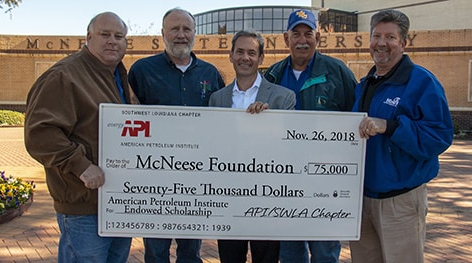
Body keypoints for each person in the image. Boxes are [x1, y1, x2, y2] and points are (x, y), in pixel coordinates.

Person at [24, 12, 137, 262]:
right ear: (88, 37)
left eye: (119, 36)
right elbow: (40, 133)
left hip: (118, 201)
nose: (112, 41)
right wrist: (82, 166)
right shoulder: (65, 75)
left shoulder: (118, 76)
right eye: (104, 35)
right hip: (83, 205)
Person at [349, 9, 454, 263]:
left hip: (401, 202)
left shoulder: (422, 82)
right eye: (376, 36)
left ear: (403, 43)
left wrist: (391, 126)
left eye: (390, 37)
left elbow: (439, 136)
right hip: (362, 201)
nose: (381, 43)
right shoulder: (365, 84)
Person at [128, 7, 225, 263]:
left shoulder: (211, 73)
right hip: (154, 176)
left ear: (195, 33)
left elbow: (223, 121)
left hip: (196, 177)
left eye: (187, 29)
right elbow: (128, 116)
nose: (181, 35)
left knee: (191, 251)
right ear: (163, 33)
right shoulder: (141, 71)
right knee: (156, 250)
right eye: (174, 29)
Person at [263, 9, 357, 263]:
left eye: (308, 34)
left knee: (325, 250)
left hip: (325, 180)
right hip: (284, 181)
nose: (302, 40)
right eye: (296, 34)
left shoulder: (338, 72)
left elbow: (356, 116)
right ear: (286, 38)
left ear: (318, 38)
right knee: (290, 251)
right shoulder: (272, 74)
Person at [209, 30, 296, 262]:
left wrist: (270, 124)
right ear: (231, 55)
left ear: (261, 58)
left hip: (266, 197)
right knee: (230, 258)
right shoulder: (216, 99)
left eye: (251, 52)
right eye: (240, 52)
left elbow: (290, 147)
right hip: (227, 196)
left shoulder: (283, 98)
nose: (245, 58)